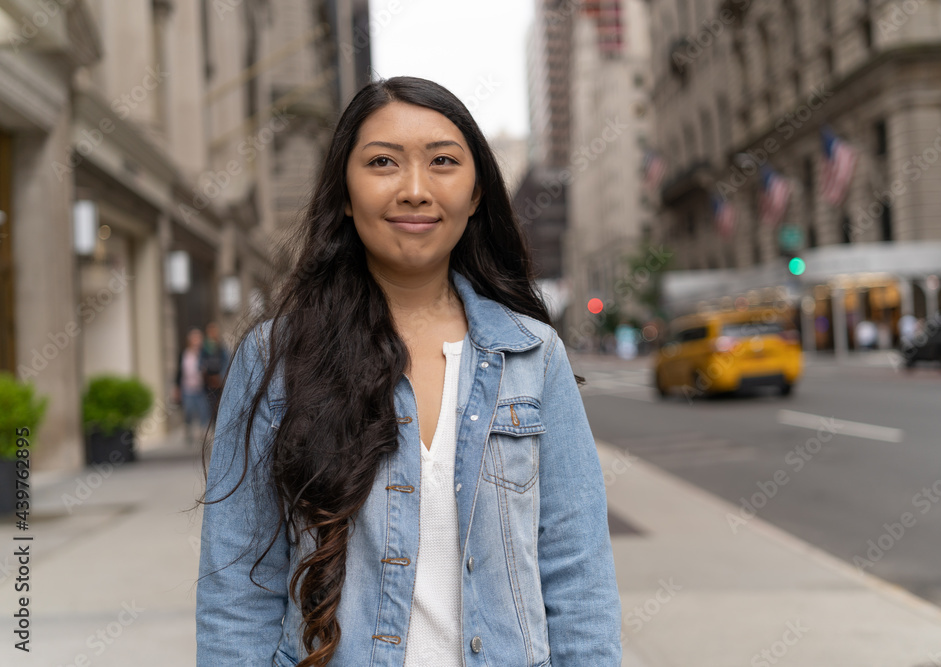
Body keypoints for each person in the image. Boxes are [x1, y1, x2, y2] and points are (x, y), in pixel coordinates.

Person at [195, 77, 622, 666]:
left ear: (475, 195)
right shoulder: (276, 359)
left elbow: (579, 579)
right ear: (345, 192)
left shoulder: (534, 355)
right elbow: (237, 590)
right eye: (382, 163)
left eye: (443, 162)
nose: (415, 190)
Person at [173, 327, 211, 446]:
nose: (196, 341)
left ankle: (203, 434)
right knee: (188, 411)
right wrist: (177, 388)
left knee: (204, 410)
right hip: (187, 388)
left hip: (201, 388)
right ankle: (188, 431)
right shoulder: (184, 354)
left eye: (198, 339)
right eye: (194, 339)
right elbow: (179, 372)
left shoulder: (204, 353)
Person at [201, 321, 230, 420]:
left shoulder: (221, 348)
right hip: (208, 384)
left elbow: (226, 362)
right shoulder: (204, 348)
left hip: (219, 384)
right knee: (209, 409)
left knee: (220, 408)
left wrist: (221, 378)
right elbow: (200, 364)